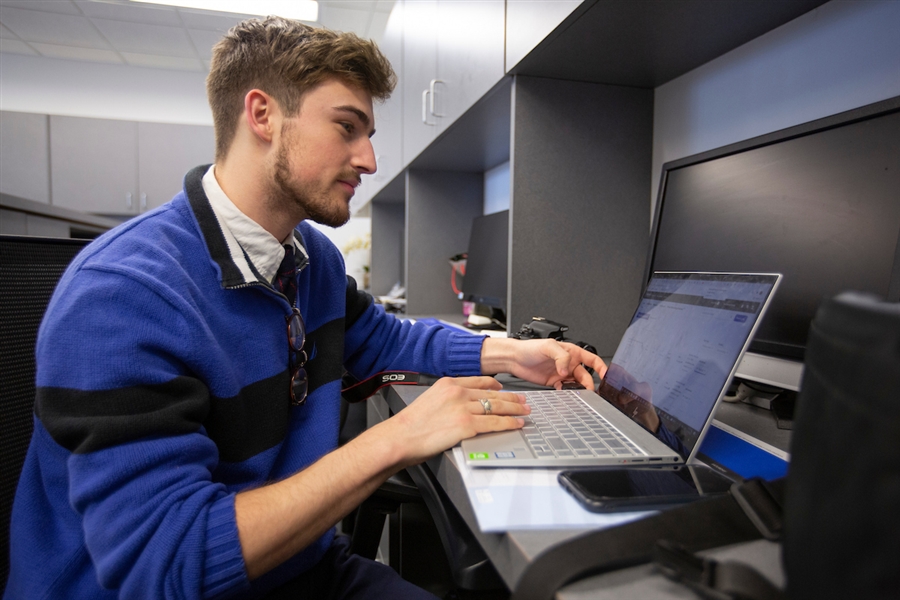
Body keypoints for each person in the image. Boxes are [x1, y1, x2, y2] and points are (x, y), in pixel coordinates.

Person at [4, 17, 607, 600]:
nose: (369, 159)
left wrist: (510, 352)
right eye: (348, 127)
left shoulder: (308, 257)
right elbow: (170, 562)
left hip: (297, 568)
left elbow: (378, 337)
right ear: (262, 114)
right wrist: (396, 439)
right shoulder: (125, 293)